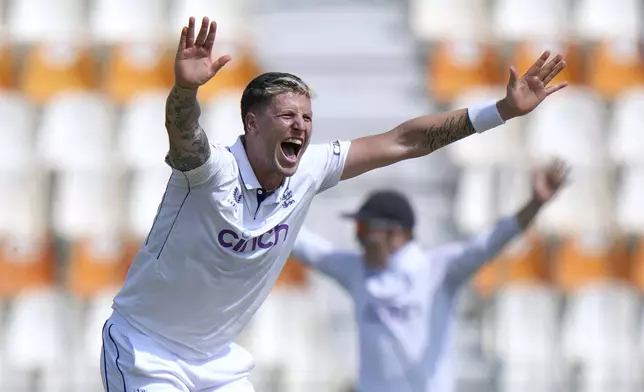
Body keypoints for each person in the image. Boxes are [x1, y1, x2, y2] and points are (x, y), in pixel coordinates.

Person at [100, 15, 568, 392]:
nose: (302, 125)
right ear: (252, 123)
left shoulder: (310, 169)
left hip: (217, 362)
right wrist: (185, 90)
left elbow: (407, 141)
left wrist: (500, 112)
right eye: (287, 115)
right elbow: (184, 138)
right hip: (148, 350)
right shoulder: (210, 171)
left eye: (307, 116)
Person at [291, 159, 569, 392]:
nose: (358, 238)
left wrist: (534, 204)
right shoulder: (356, 270)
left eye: (364, 229)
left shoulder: (438, 269)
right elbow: (307, 247)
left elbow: (489, 243)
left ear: (393, 233)